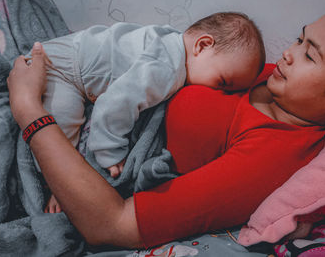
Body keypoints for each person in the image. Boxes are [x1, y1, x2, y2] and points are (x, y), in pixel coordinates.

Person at [7, 0, 325, 249]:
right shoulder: (273, 81)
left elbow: (112, 226)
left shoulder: (272, 153)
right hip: (100, 101)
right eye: (301, 37)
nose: (287, 52)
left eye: (308, 54)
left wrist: (30, 111)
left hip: (82, 149)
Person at [28, 12, 265, 212]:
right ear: (202, 46)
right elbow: (114, 104)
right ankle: (57, 186)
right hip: (60, 69)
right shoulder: (167, 68)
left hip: (69, 55)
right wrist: (110, 152)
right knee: (60, 130)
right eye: (222, 82)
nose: (218, 92)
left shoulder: (171, 42)